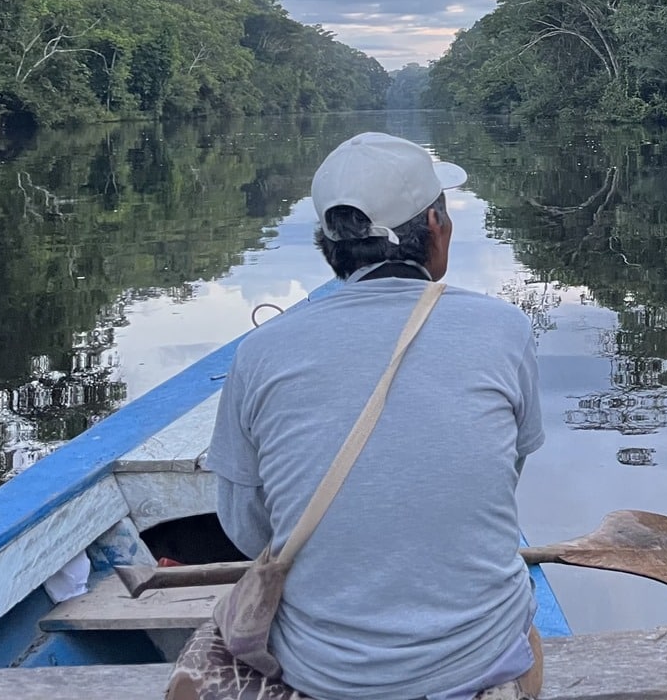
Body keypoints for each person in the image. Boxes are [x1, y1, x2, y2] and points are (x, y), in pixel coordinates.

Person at [205, 132, 547, 700]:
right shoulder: (504, 330)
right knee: (520, 625)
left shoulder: (261, 353)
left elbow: (246, 530)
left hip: (326, 673)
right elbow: (501, 478)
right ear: (436, 230)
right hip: (476, 658)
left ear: (328, 245)